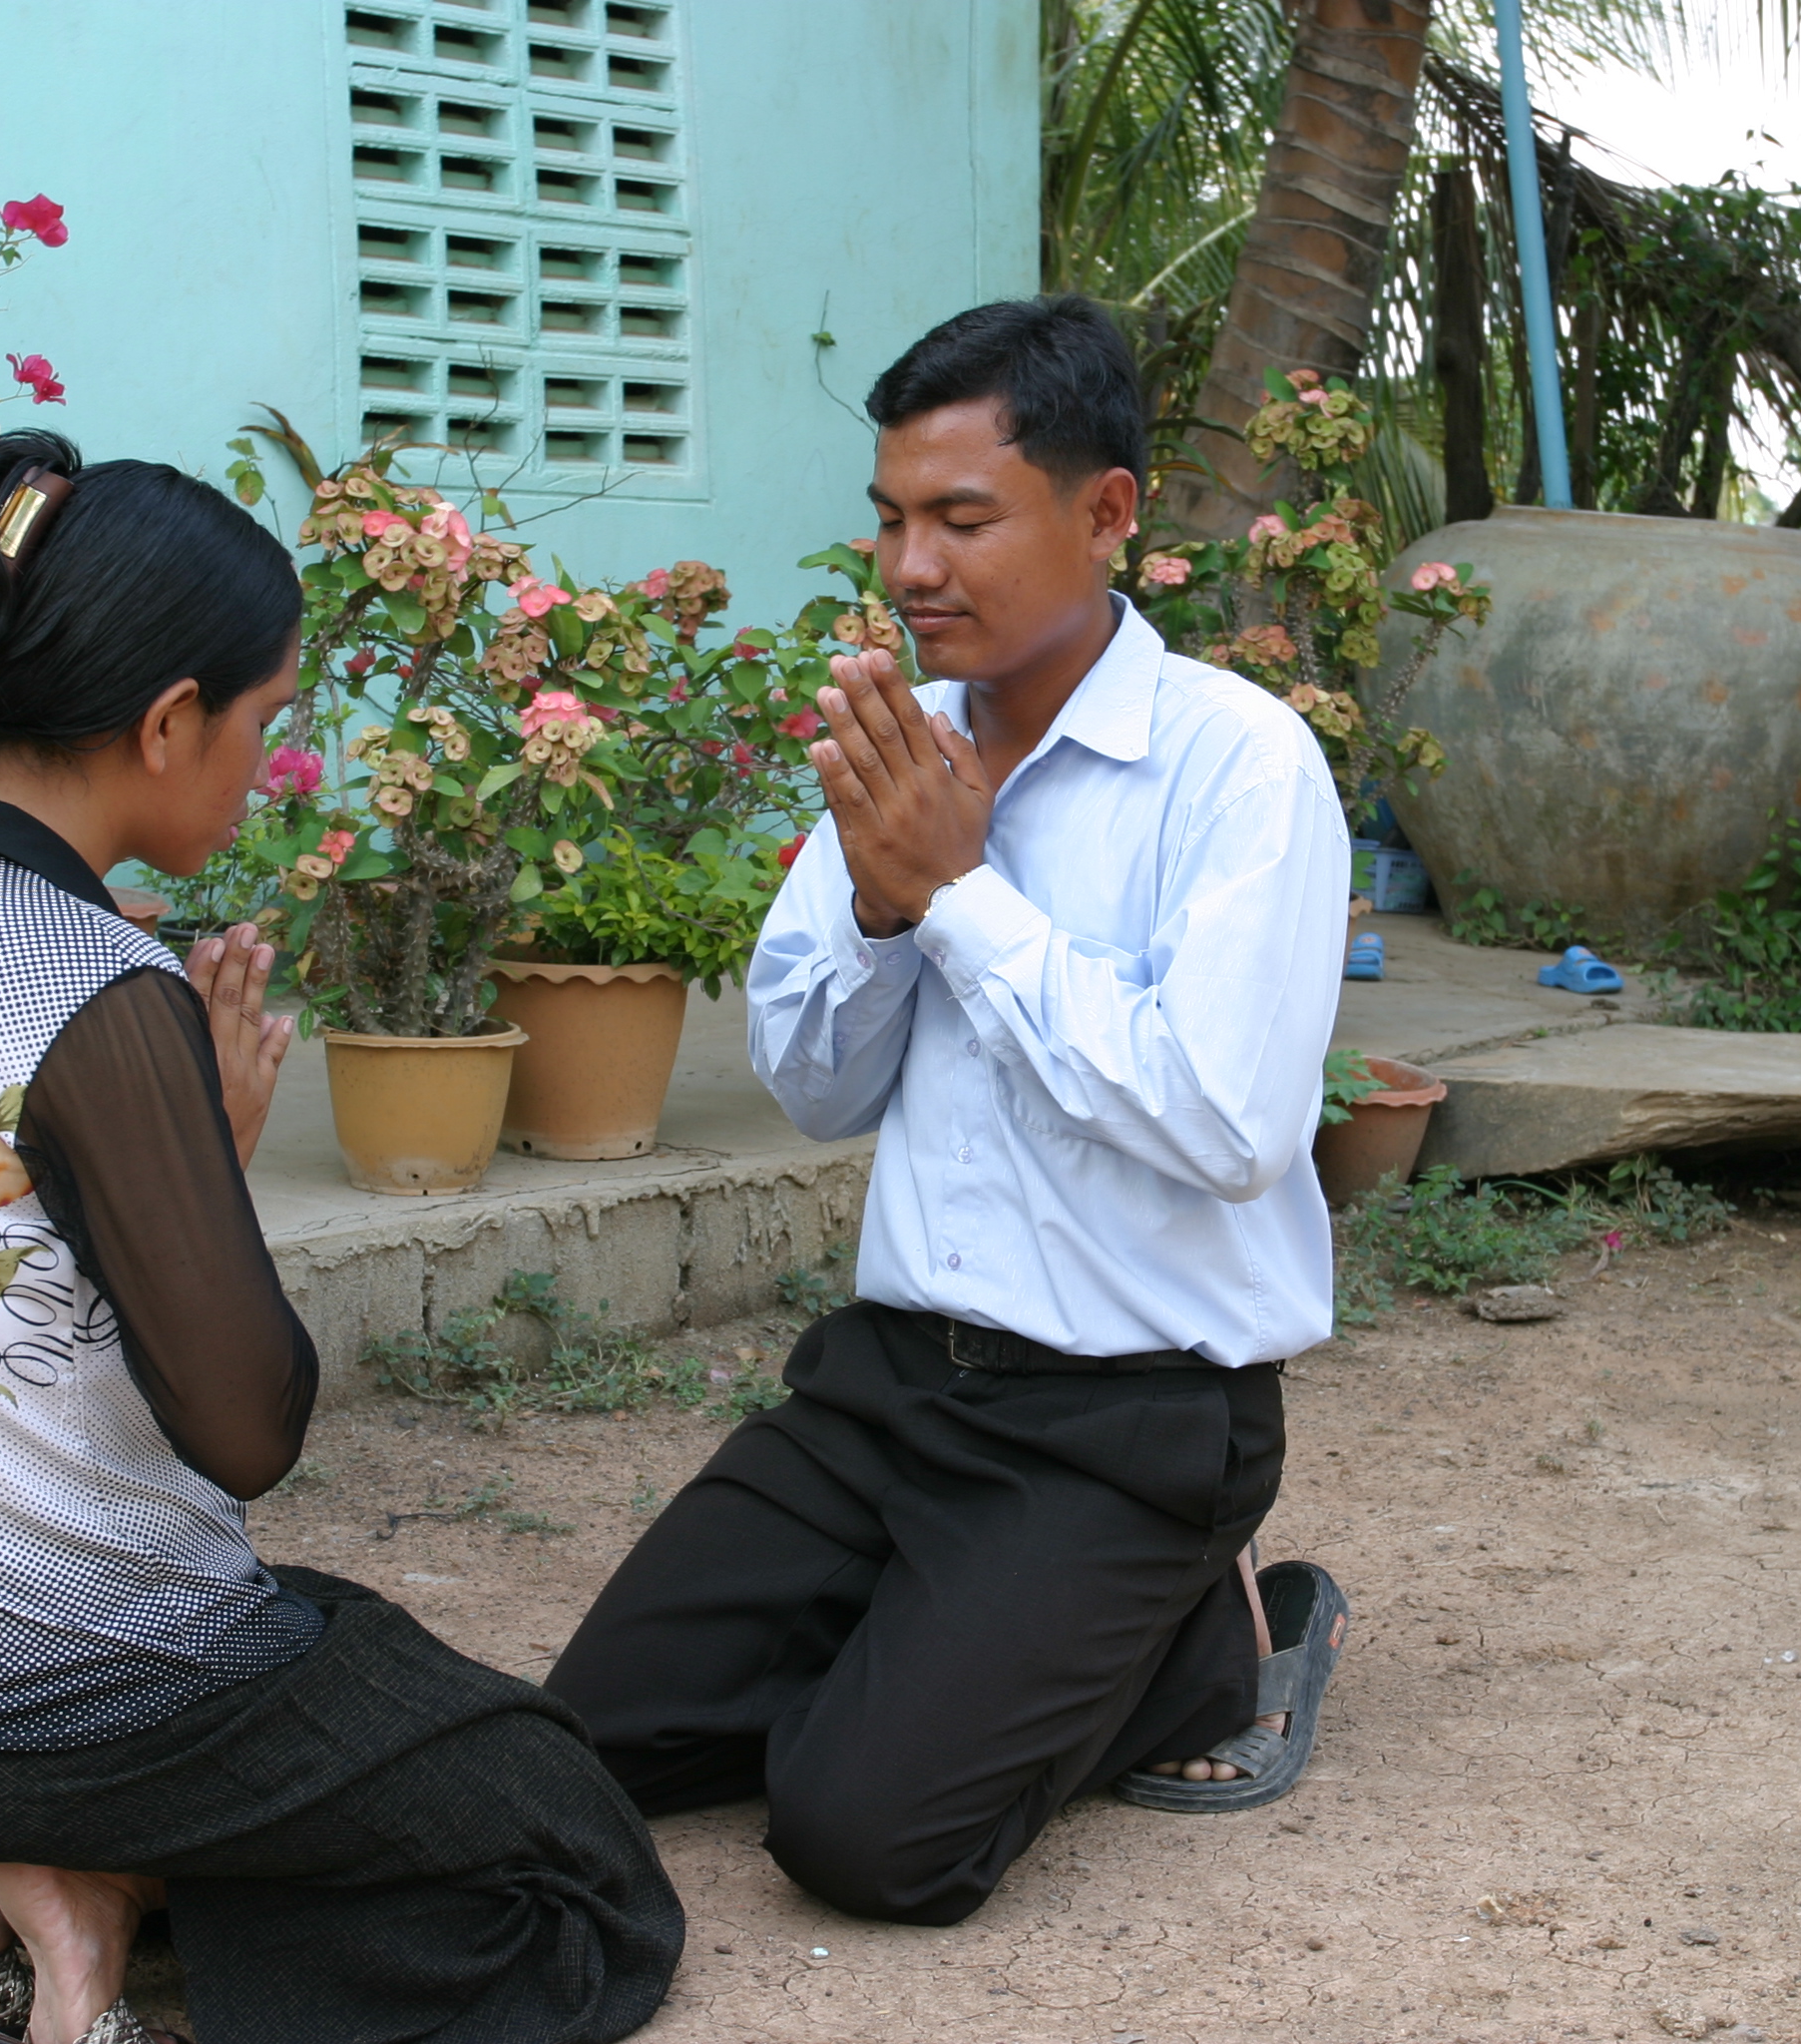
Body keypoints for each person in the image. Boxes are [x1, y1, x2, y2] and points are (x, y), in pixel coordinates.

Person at [0, 430, 681, 2044]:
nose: (263, 762)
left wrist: (173, 1171)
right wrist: (207, 1175)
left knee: (353, 1663)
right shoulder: (86, 976)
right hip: (86, 1712)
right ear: (169, 722)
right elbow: (248, 1432)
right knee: (568, 1850)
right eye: (264, 720)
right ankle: (83, 1896)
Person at [546, 296, 1353, 1927]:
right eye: (892, 519)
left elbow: (1228, 1126)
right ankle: (966, 1637)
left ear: (1107, 512)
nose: (912, 567)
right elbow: (816, 1088)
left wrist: (961, 898)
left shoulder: (1239, 767)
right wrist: (880, 903)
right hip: (890, 1389)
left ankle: (1202, 1643)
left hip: (1131, 1421)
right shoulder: (899, 759)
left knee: (866, 1837)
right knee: (576, 1750)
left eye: (963, 519)